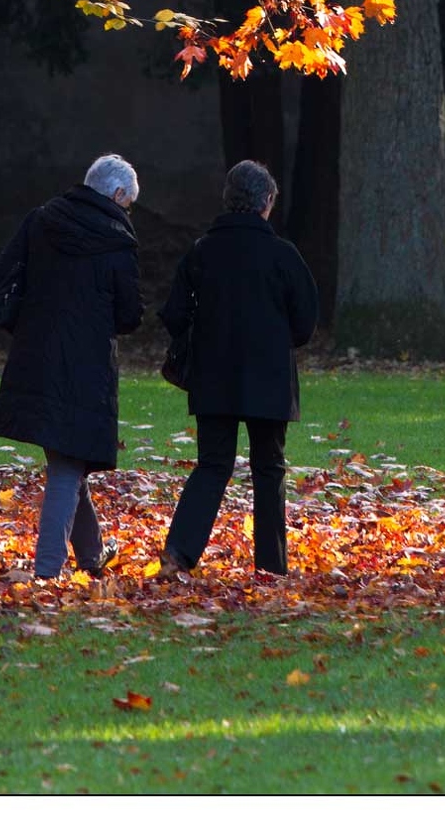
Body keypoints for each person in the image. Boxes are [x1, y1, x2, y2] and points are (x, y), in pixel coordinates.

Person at [0, 153, 142, 581]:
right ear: (118, 194)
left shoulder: (41, 221)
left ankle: (91, 556)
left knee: (68, 457)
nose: (129, 212)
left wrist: (31, 319)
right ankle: (47, 571)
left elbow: (0, 274)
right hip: (86, 367)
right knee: (68, 464)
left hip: (35, 357)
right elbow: (130, 316)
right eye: (129, 205)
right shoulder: (118, 240)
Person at [158, 159, 319, 577]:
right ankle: (270, 565)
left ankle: (179, 553)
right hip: (269, 378)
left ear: (228, 201)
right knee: (269, 468)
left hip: (213, 376)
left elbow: (174, 313)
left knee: (213, 464)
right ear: (266, 202)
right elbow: (305, 324)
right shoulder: (282, 255)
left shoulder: (201, 252)